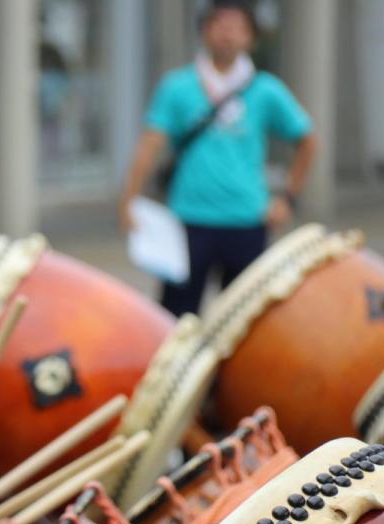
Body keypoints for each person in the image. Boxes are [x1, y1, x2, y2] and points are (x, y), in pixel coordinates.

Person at [118, 0, 317, 316]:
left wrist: (288, 198)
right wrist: (128, 199)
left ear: (251, 37)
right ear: (204, 32)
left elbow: (307, 139)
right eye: (220, 25)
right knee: (175, 319)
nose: (227, 35)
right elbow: (149, 145)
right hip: (188, 220)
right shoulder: (177, 87)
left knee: (243, 321)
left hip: (248, 219)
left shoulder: (265, 90)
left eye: (237, 27)